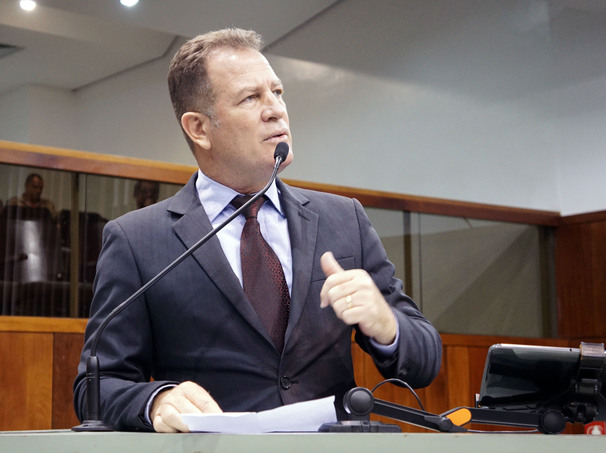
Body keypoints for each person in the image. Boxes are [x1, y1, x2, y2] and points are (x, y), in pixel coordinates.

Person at [74, 28, 442, 433]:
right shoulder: (138, 240)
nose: (276, 110)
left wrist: (387, 326)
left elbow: (426, 359)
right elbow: (97, 385)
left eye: (277, 92)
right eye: (250, 98)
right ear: (199, 128)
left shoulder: (343, 219)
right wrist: (157, 400)